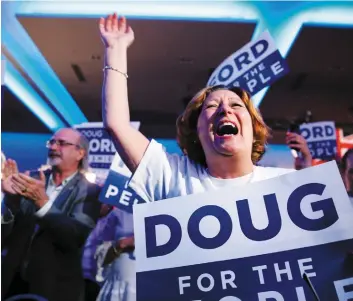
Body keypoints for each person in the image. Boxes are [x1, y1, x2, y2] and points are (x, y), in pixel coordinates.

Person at [99, 13, 294, 204]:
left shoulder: (288, 186)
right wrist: (115, 50)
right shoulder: (173, 177)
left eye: (235, 105)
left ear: (254, 130)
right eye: (212, 106)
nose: (225, 110)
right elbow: (117, 124)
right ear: (196, 132)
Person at [1, 128, 101, 301]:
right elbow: (4, 234)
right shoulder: (30, 179)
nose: (54, 147)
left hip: (56, 288)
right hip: (11, 283)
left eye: (62, 143)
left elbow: (74, 236)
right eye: (52, 142)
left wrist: (42, 203)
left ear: (80, 153)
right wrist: (11, 201)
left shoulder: (90, 191)